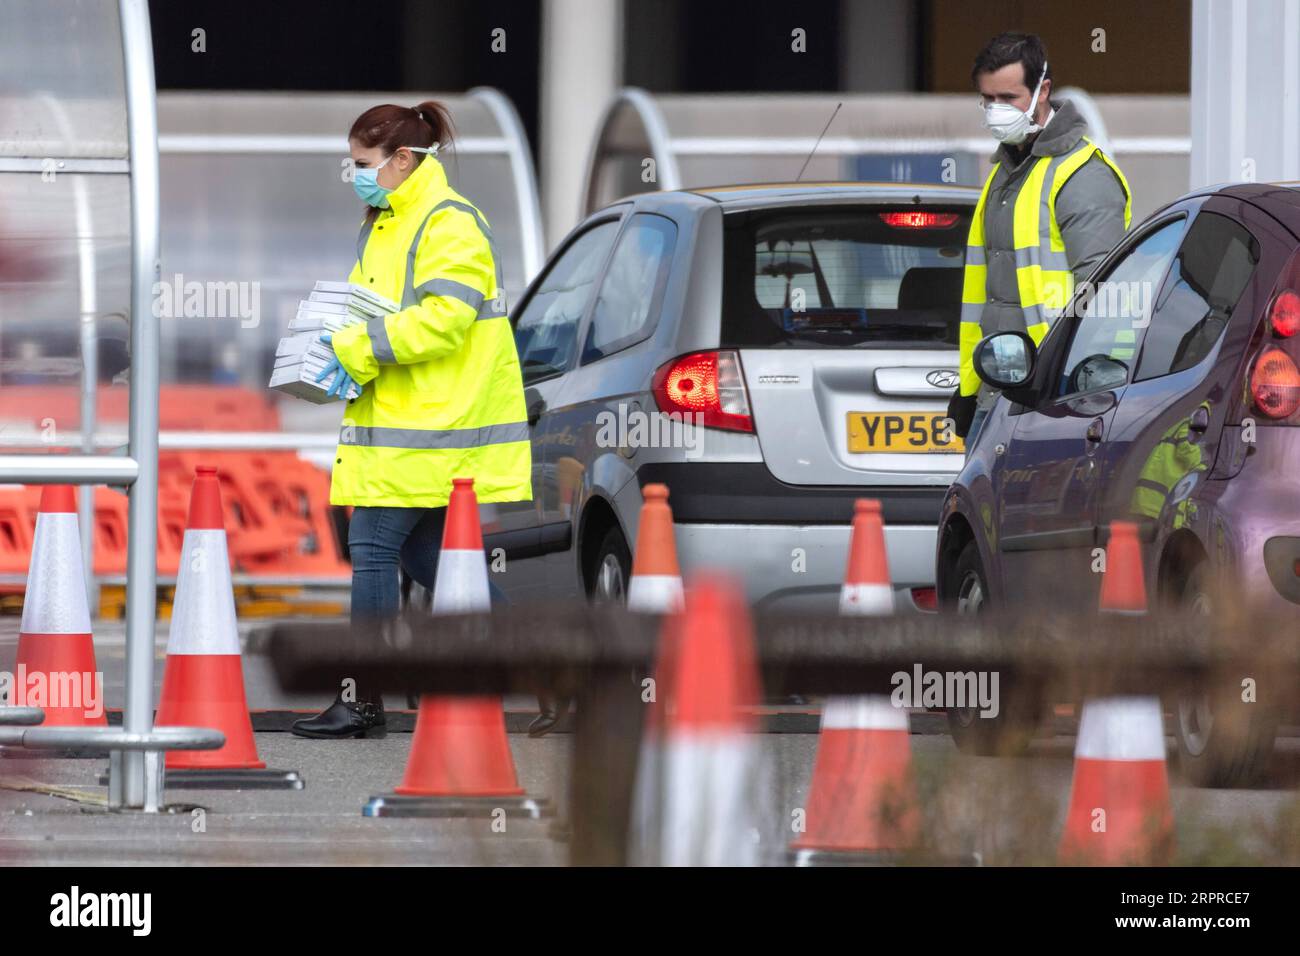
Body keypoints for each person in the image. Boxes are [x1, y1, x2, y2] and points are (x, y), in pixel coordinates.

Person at [291, 101, 531, 739]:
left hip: (430, 428)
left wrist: (353, 346)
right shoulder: (391, 220)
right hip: (409, 426)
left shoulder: (447, 223)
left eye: (363, 164)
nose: (356, 175)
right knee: (436, 561)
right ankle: (554, 670)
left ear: (403, 159)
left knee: (371, 549)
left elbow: (444, 322)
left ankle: (362, 700)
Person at [948, 32, 1132, 452]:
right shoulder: (1004, 173)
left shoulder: (1083, 177)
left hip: (1054, 402)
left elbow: (1104, 298)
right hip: (998, 395)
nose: (996, 111)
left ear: (1042, 90)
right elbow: (987, 300)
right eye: (987, 99)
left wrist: (1085, 394)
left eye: (1009, 98)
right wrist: (969, 389)